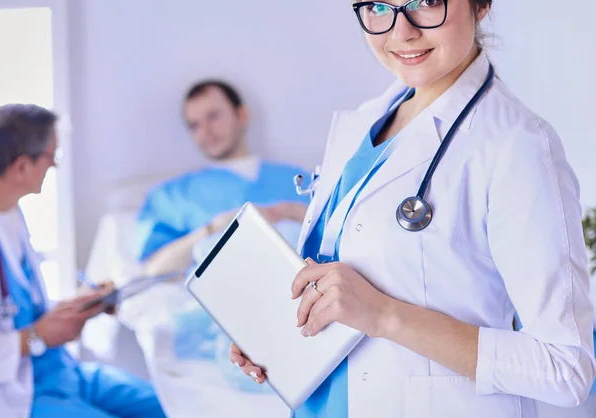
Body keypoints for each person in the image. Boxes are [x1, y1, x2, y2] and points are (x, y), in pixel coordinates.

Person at [231, 1, 596, 417]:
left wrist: (385, 315)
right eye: (377, 6)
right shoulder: (366, 122)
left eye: (427, 2)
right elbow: (339, 285)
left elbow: (565, 368)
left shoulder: (518, 145)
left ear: (482, 6)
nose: (401, 31)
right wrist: (273, 328)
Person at [0, 104, 167, 418]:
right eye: (52, 158)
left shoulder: (11, 213)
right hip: (16, 396)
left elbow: (18, 308)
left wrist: (77, 306)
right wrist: (38, 335)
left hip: (60, 371)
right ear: (22, 167)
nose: (55, 167)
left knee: (170, 407)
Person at [136, 80, 309, 277]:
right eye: (194, 125)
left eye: (213, 117)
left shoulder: (300, 180)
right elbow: (153, 270)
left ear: (241, 115)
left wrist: (294, 213)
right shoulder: (172, 195)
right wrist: (214, 229)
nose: (205, 132)